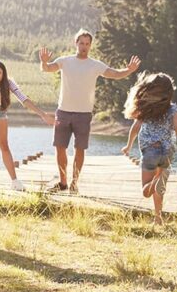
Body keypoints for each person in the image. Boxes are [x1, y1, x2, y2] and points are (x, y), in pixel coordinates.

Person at [39, 29, 141, 193]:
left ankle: (74, 183)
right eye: (81, 43)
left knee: (80, 149)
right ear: (76, 43)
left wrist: (128, 70)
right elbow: (48, 68)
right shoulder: (65, 61)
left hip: (83, 114)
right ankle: (63, 182)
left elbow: (114, 74)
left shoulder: (95, 65)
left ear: (90, 45)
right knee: (60, 148)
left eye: (87, 44)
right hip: (63, 112)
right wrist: (44, 62)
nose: (84, 46)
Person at [120, 72, 177, 225]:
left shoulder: (145, 108)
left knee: (146, 191)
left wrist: (128, 146)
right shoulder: (174, 109)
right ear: (169, 92)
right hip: (168, 152)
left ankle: (156, 180)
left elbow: (135, 128)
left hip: (150, 152)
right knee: (159, 189)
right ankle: (158, 218)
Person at [0, 61, 55, 191]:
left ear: (3, 74)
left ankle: (14, 181)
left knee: (4, 145)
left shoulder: (8, 83)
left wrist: (42, 114)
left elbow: (23, 99)